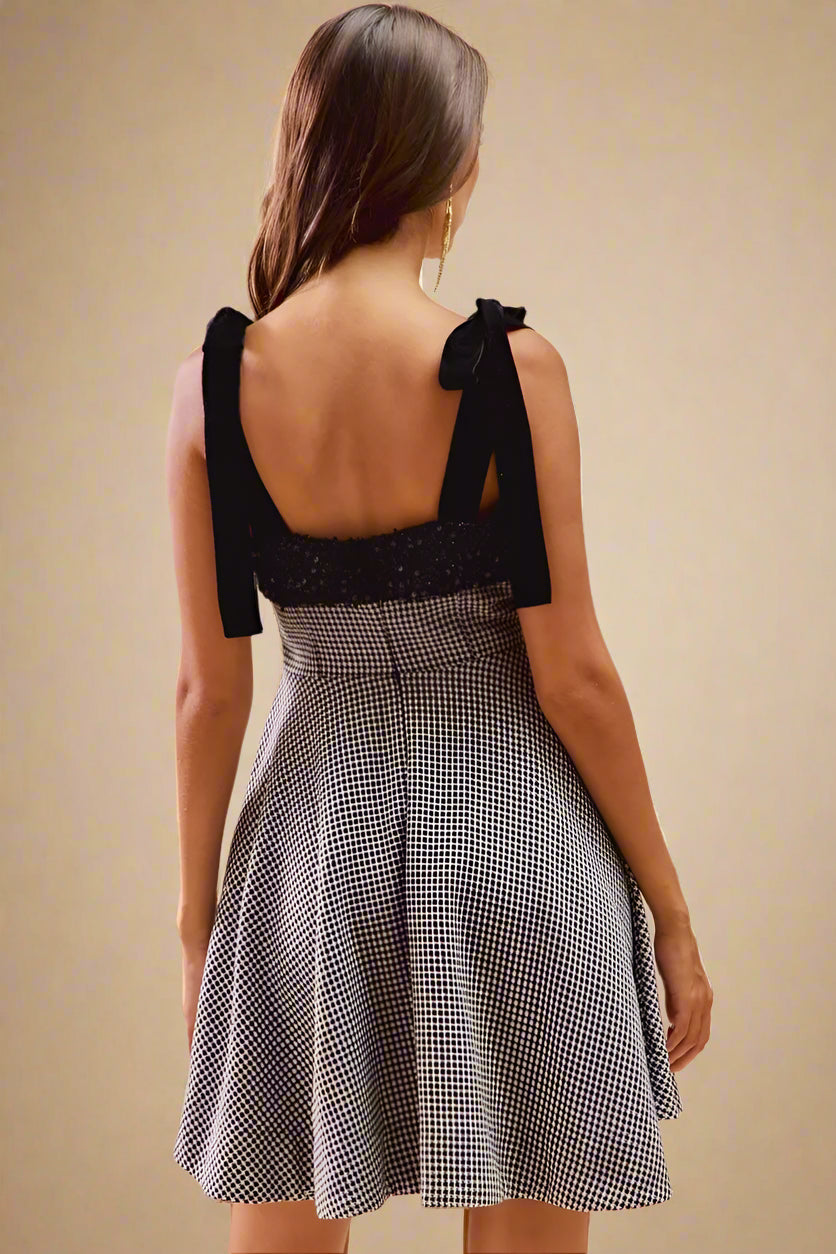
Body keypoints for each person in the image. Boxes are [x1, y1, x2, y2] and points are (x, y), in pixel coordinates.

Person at [165, 5, 713, 1253]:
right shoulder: (509, 370)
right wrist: (668, 914)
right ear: (448, 166)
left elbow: (209, 694)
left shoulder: (213, 386)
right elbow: (571, 673)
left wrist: (200, 922)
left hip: (309, 853)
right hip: (523, 846)